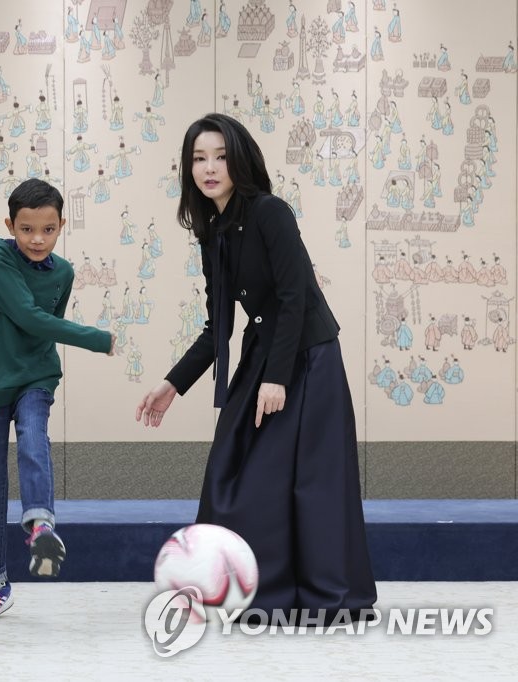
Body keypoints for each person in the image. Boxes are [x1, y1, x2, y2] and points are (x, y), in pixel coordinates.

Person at [135, 113, 377, 624]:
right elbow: (217, 326)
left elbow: (295, 299)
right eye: (199, 158)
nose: (209, 167)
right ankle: (245, 593)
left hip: (307, 358)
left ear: (239, 159)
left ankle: (319, 598)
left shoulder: (270, 212)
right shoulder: (213, 232)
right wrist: (171, 384)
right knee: (233, 471)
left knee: (307, 482)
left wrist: (277, 378)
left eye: (220, 156)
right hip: (266, 355)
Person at [0, 179, 116, 623]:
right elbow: (29, 317)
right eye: (26, 229)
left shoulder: (64, 273)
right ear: (10, 225)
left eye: (48, 230)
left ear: (61, 226)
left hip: (36, 376)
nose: (36, 239)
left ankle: (41, 525)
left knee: (34, 433)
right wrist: (98, 339)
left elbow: (47, 326)